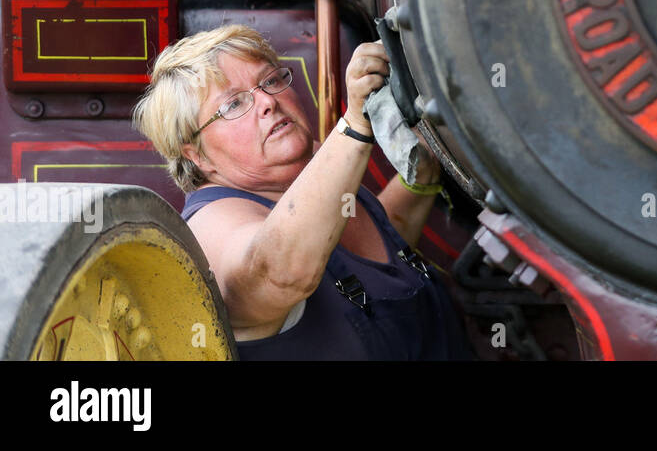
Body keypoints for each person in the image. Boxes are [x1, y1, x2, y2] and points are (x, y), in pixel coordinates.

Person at [133, 24, 471, 360]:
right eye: (234, 104)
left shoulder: (318, 170)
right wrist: (354, 124)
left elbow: (374, 257)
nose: (267, 101)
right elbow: (276, 274)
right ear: (196, 154)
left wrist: (423, 166)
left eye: (271, 81)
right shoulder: (210, 222)